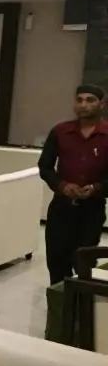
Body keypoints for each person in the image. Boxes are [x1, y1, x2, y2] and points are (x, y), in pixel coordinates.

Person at [39, 84, 108, 284]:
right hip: (61, 209)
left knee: (83, 264)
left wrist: (97, 188)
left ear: (101, 104)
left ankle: (81, 303)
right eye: (79, 100)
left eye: (90, 100)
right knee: (56, 262)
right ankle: (59, 302)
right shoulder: (60, 132)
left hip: (92, 210)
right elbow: (45, 167)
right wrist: (62, 186)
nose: (83, 105)